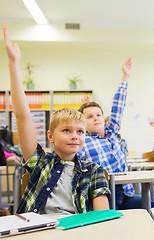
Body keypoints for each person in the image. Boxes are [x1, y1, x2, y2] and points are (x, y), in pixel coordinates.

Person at [3, 25, 110, 214]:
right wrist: (13, 64)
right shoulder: (40, 162)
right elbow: (22, 116)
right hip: (38, 230)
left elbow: (101, 215)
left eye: (80, 131)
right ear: (50, 136)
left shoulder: (94, 171)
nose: (74, 136)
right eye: (66, 130)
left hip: (75, 230)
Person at [78, 59, 154, 210]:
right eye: (90, 117)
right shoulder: (82, 141)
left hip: (125, 194)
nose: (96, 118)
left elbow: (118, 107)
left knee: (153, 208)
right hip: (100, 198)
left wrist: (125, 78)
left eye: (99, 115)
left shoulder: (111, 133)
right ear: (82, 122)